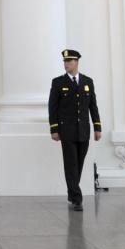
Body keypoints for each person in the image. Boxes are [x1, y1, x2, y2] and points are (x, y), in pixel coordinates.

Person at [48, 49, 102, 211]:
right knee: (71, 164)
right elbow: (53, 107)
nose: (66, 64)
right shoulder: (58, 82)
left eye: (69, 61)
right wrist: (54, 129)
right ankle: (77, 199)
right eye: (65, 61)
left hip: (84, 130)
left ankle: (72, 193)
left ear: (77, 62)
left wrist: (97, 127)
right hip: (67, 131)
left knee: (78, 164)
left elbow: (93, 106)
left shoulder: (87, 81)